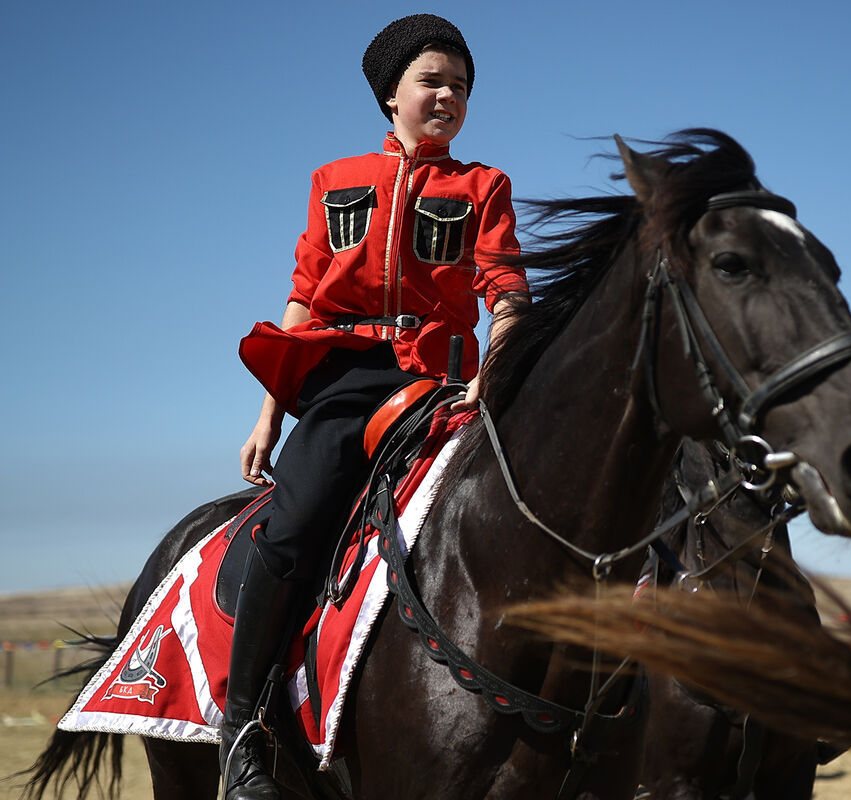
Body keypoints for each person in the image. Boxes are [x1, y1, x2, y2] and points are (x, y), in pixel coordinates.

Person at [224, 15, 528, 800]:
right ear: (391, 94)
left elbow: (506, 293)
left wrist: (495, 372)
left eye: (461, 86)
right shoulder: (334, 178)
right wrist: (269, 414)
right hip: (341, 385)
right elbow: (302, 298)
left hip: (441, 388)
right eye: (432, 81)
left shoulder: (484, 186)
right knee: (289, 529)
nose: (448, 96)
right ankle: (242, 730)